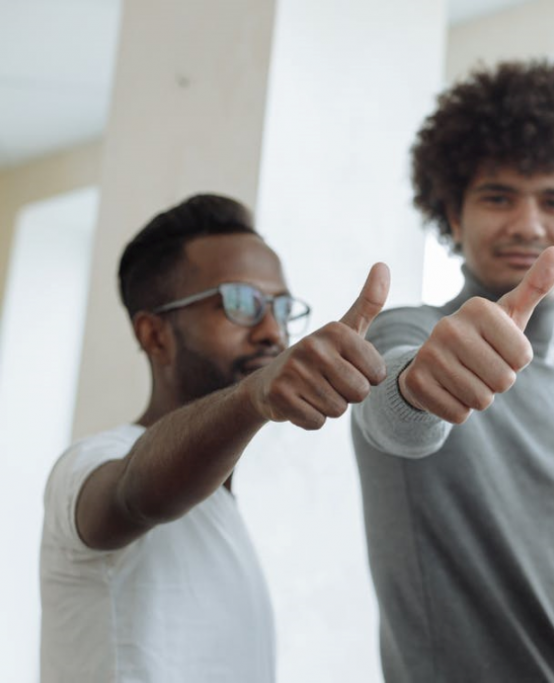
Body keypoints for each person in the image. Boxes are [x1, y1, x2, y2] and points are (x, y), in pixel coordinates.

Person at [351, 60, 554, 682]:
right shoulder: (412, 333)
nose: (527, 223)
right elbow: (394, 413)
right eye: (497, 197)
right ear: (453, 218)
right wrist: (417, 389)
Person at [39, 194, 389, 682]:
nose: (272, 331)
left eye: (280, 307)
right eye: (240, 302)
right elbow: (132, 495)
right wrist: (252, 397)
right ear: (155, 335)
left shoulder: (227, 508)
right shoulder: (89, 463)